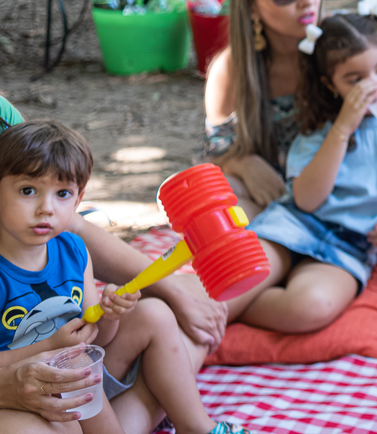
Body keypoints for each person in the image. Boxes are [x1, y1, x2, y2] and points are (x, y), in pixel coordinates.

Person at [0, 121, 247, 434]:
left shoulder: (74, 249)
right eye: (27, 191)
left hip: (82, 381)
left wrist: (110, 314)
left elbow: (97, 338)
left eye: (62, 194)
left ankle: (198, 427)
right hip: (21, 394)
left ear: (78, 200)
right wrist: (50, 345)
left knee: (154, 313)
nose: (45, 209)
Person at [226, 13, 377, 330]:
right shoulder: (321, 130)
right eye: (355, 79)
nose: (373, 85)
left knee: (310, 308)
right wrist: (343, 127)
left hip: (349, 246)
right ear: (330, 84)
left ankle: (234, 313)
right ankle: (207, 312)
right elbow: (307, 201)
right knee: (241, 279)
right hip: (296, 225)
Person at [204, 0, 322, 220]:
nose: (308, 1)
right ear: (252, 6)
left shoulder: (343, 48)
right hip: (271, 201)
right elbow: (216, 149)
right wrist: (243, 163)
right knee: (212, 199)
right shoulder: (232, 68)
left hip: (340, 197)